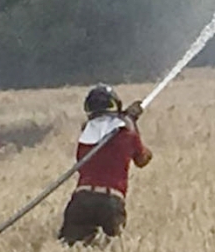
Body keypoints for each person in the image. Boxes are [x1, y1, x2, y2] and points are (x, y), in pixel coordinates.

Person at [57, 84, 153, 247]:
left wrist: (125, 120)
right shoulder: (127, 134)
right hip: (110, 202)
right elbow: (143, 160)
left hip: (81, 200)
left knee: (71, 246)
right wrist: (131, 123)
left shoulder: (86, 136)